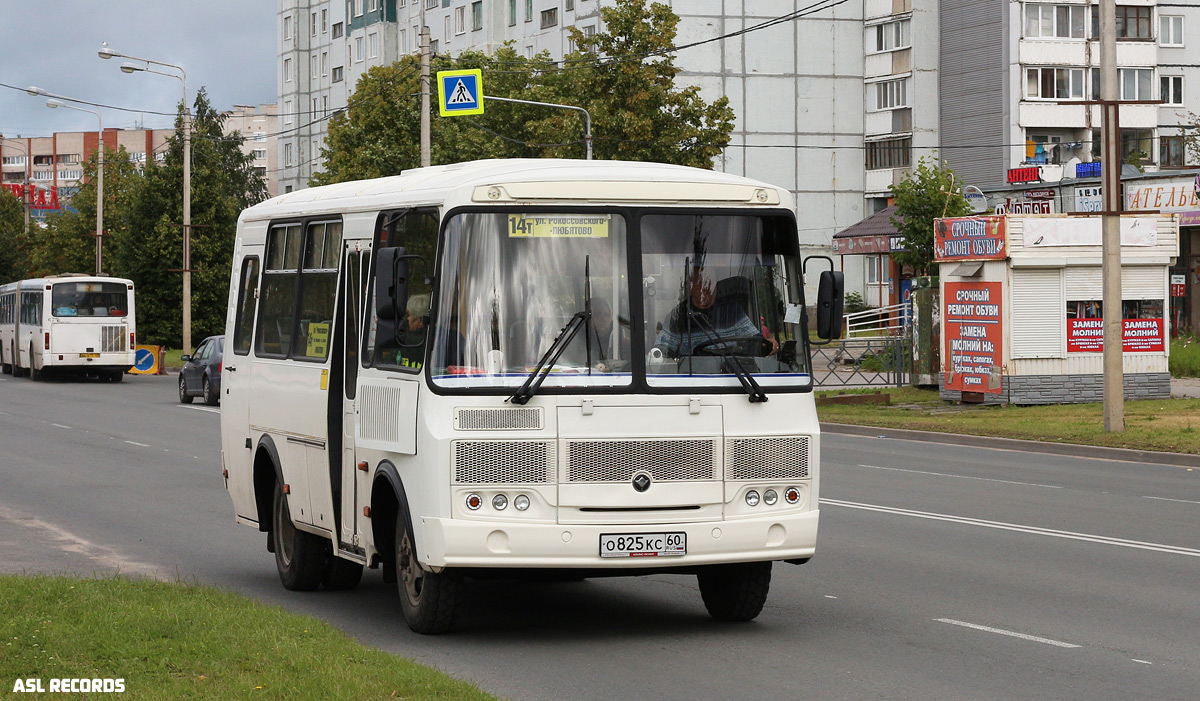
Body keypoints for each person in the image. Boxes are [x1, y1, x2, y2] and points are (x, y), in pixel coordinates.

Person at [654, 268, 778, 358]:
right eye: (702, 282)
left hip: (732, 377)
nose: (707, 287)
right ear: (691, 286)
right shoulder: (677, 316)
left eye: (711, 282)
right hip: (691, 382)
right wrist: (658, 354)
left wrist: (767, 343)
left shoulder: (732, 311)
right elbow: (662, 351)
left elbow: (754, 341)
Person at [399, 293, 429, 368]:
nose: (408, 319)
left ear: (421, 320)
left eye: (409, 315)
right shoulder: (442, 338)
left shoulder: (407, 343)